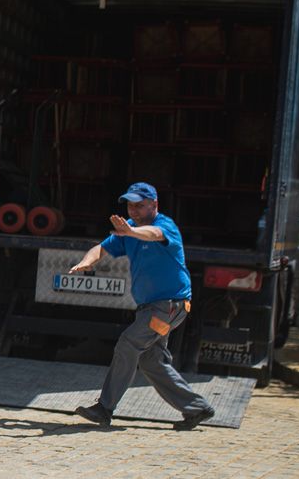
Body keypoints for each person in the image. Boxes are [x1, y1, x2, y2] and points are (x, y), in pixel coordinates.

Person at [69, 182, 216, 430]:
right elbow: (100, 248)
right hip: (155, 308)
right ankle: (196, 408)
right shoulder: (127, 232)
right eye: (130, 205)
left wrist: (132, 232)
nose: (133, 210)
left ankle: (104, 408)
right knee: (151, 360)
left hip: (168, 307)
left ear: (154, 205)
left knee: (128, 344)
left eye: (139, 205)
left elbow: (154, 234)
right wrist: (86, 262)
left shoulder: (164, 226)